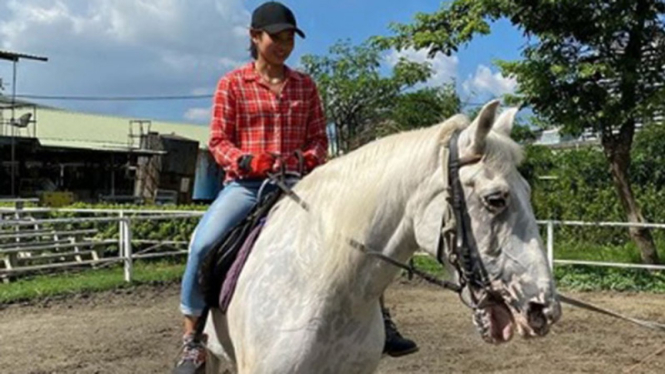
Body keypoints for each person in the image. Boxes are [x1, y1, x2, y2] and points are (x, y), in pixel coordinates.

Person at [174, 2, 416, 373]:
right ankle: (193, 339)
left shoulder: (305, 85)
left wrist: (305, 159)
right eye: (277, 37)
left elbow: (320, 139)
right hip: (248, 186)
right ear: (255, 37)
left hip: (300, 184)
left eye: (290, 38)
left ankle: (381, 318)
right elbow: (219, 141)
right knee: (203, 242)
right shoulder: (232, 84)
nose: (284, 45)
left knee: (356, 241)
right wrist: (245, 160)